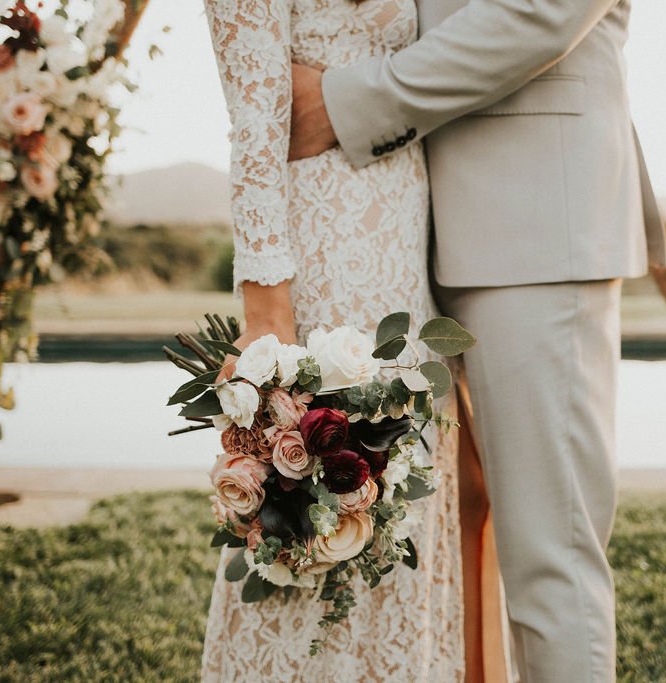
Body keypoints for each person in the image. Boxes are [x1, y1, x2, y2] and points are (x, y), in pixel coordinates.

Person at [285, 0, 666, 681]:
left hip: (538, 227)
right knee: (446, 557)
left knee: (553, 562)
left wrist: (351, 102)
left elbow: (542, 11)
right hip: (400, 230)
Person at [198, 0, 471, 680]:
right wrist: (269, 325)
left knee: (400, 507)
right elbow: (256, 120)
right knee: (317, 514)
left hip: (402, 263)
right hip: (322, 265)